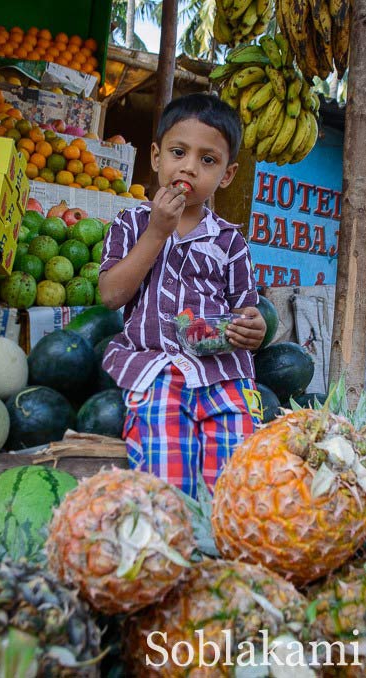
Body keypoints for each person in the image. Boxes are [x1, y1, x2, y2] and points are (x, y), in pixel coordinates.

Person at [99, 92, 266, 497]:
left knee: (234, 484)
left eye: (208, 160)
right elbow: (110, 295)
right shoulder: (131, 222)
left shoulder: (230, 242)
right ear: (156, 157)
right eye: (178, 152)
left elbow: (246, 309)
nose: (189, 166)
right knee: (166, 483)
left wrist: (254, 327)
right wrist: (157, 231)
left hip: (223, 374)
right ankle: (174, 549)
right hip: (155, 371)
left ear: (226, 175)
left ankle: (222, 550)